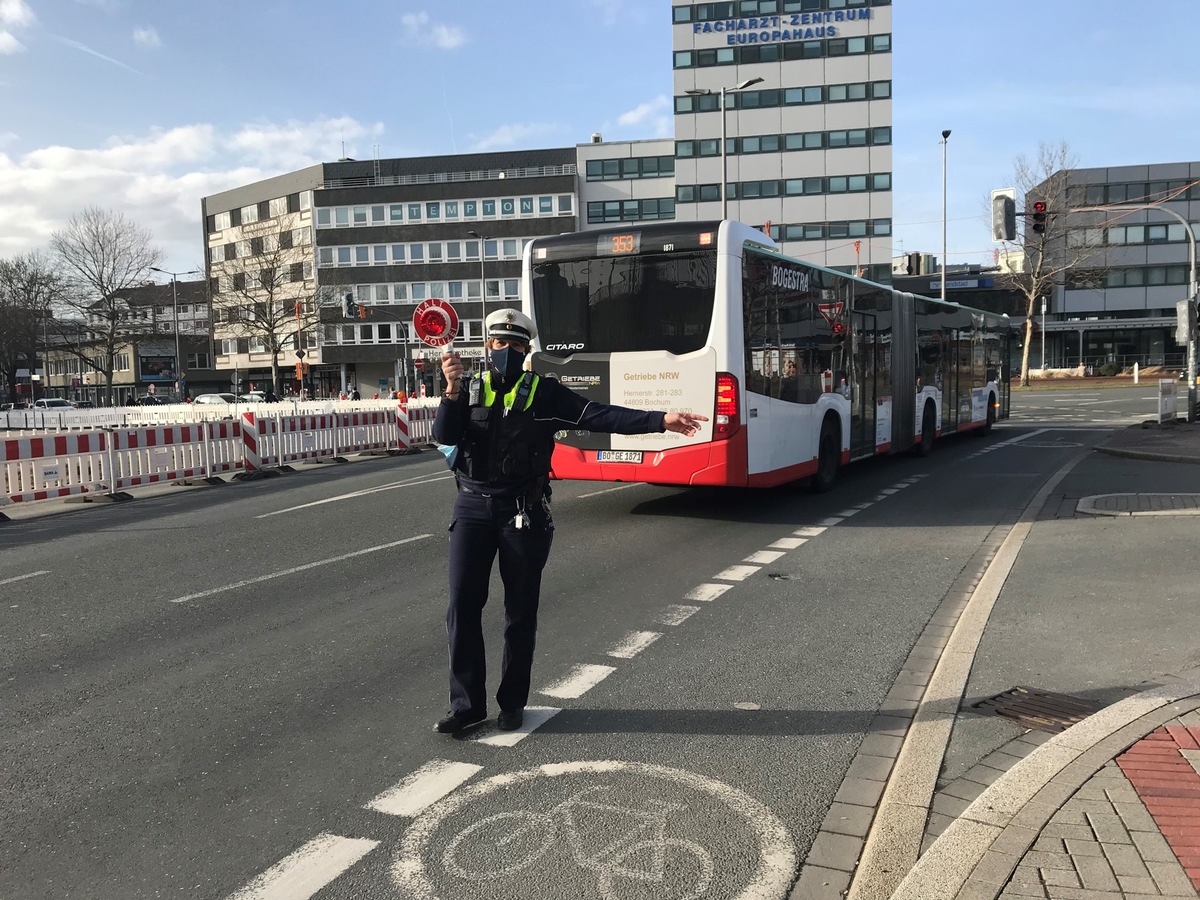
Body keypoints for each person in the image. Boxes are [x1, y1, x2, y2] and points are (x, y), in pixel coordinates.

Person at [432, 308, 708, 734]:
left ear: (528, 351)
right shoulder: (467, 389)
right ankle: (467, 706)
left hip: (522, 513)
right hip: (471, 509)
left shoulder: (545, 394)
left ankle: (511, 704)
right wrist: (450, 391)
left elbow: (600, 415)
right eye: (500, 343)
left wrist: (660, 420)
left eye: (517, 345)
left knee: (519, 611)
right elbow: (446, 437)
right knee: (461, 607)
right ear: (488, 346)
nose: (507, 350)